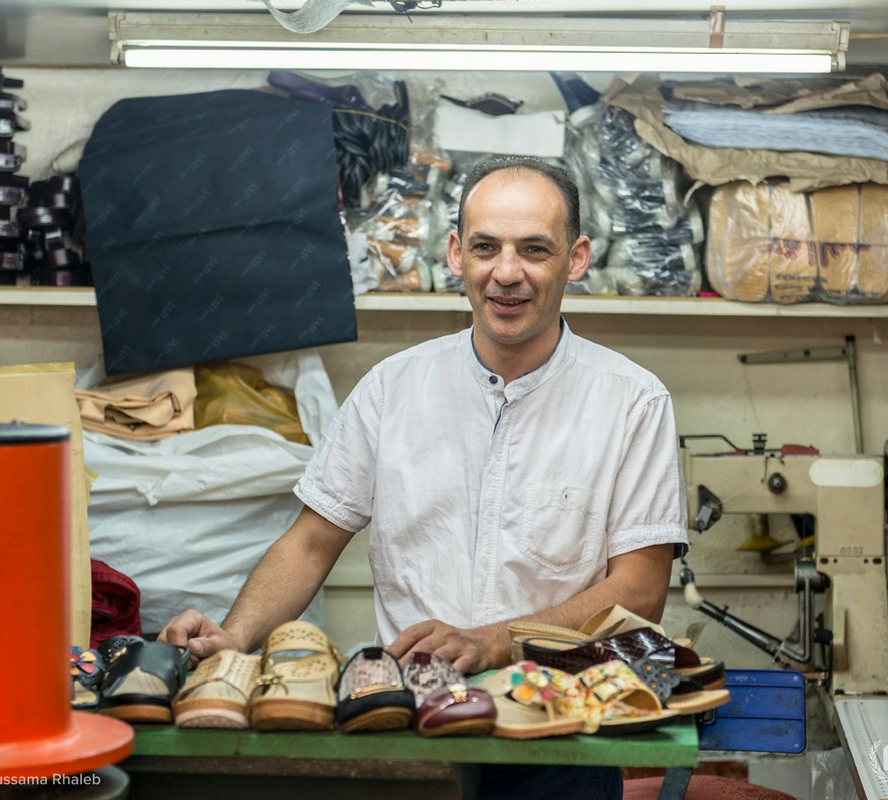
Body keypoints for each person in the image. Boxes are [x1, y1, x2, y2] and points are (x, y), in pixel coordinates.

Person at [159, 156, 689, 800]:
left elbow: (640, 589)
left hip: (559, 734)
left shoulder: (632, 400)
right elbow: (309, 542)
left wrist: (494, 642)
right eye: (486, 247)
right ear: (455, 252)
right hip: (408, 729)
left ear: (575, 259)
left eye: (534, 250)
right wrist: (234, 637)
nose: (506, 273)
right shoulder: (392, 388)